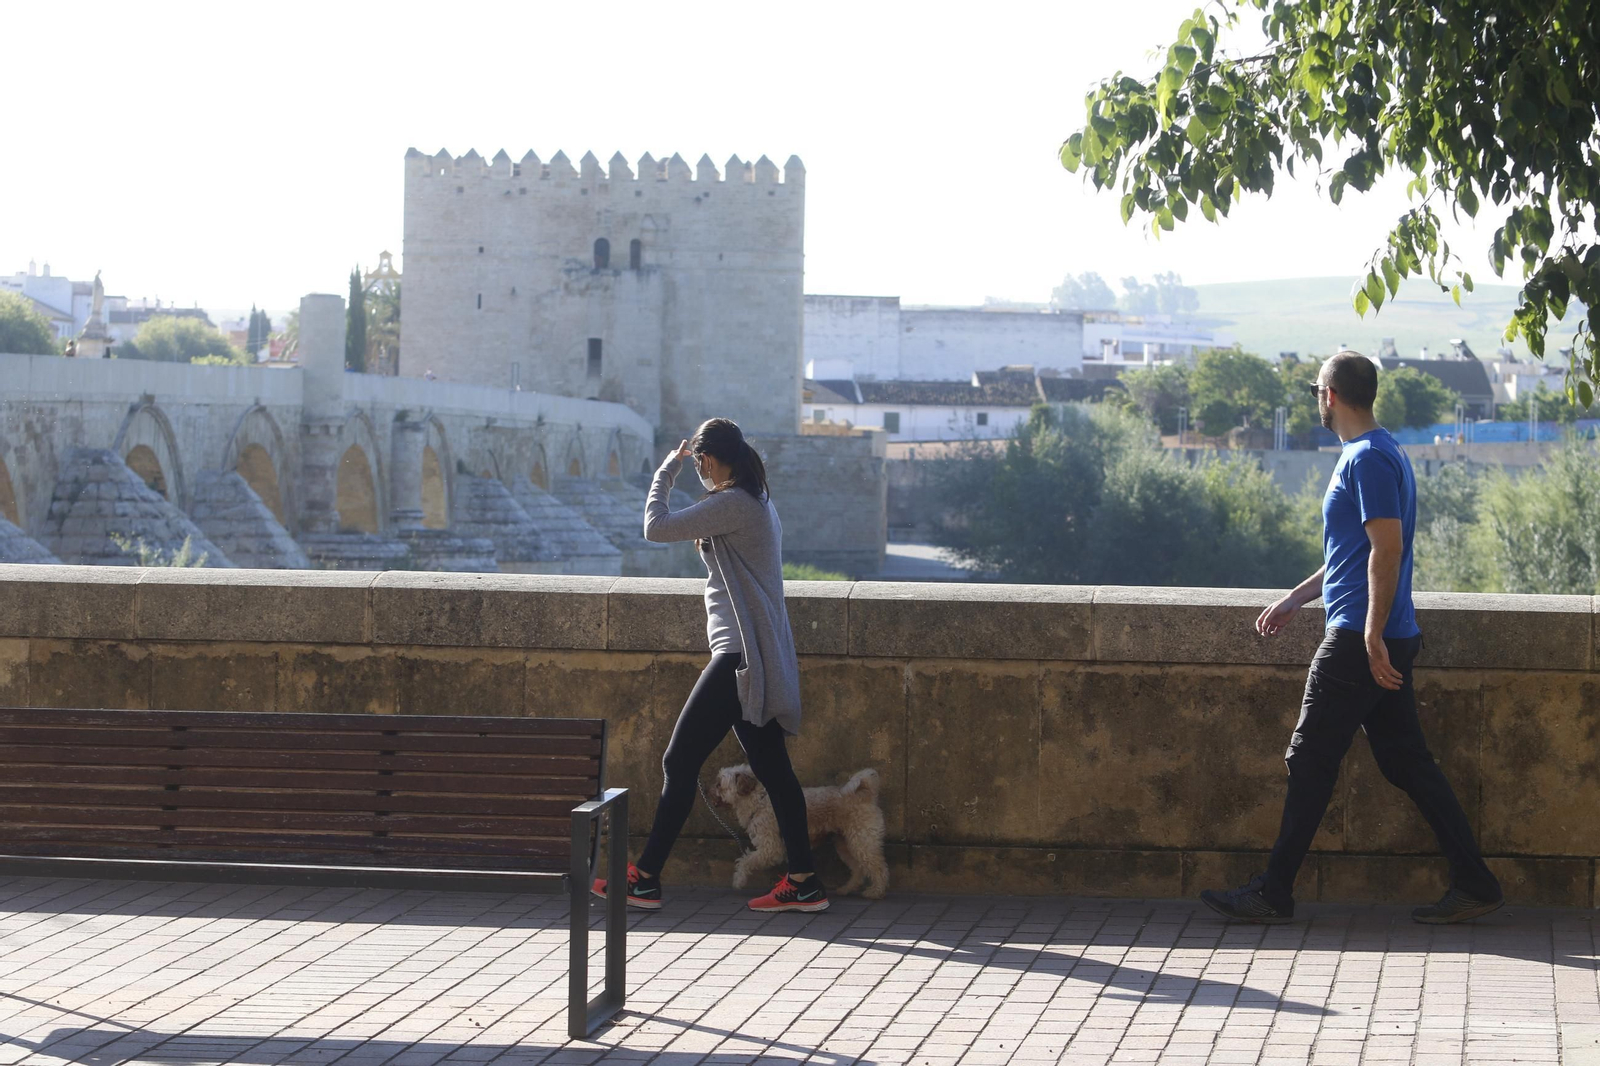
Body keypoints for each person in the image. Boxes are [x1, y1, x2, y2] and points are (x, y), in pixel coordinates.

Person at [1201, 351, 1503, 925]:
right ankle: (1476, 881)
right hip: (1386, 632)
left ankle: (1274, 893)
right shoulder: (1381, 451)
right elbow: (1353, 556)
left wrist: (1368, 634)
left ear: (1331, 395)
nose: (1316, 396)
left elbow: (1387, 548)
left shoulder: (1365, 459)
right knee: (1405, 762)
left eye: (1317, 388)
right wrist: (1296, 597)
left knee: (1309, 757)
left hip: (1362, 640)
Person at [592, 418, 827, 914]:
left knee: (678, 762)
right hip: (755, 653)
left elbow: (656, 528)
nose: (697, 468)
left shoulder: (734, 503)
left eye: (698, 461)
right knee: (774, 771)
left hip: (739, 656)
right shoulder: (755, 500)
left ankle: (645, 878)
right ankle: (804, 881)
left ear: (708, 460)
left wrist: (664, 472)